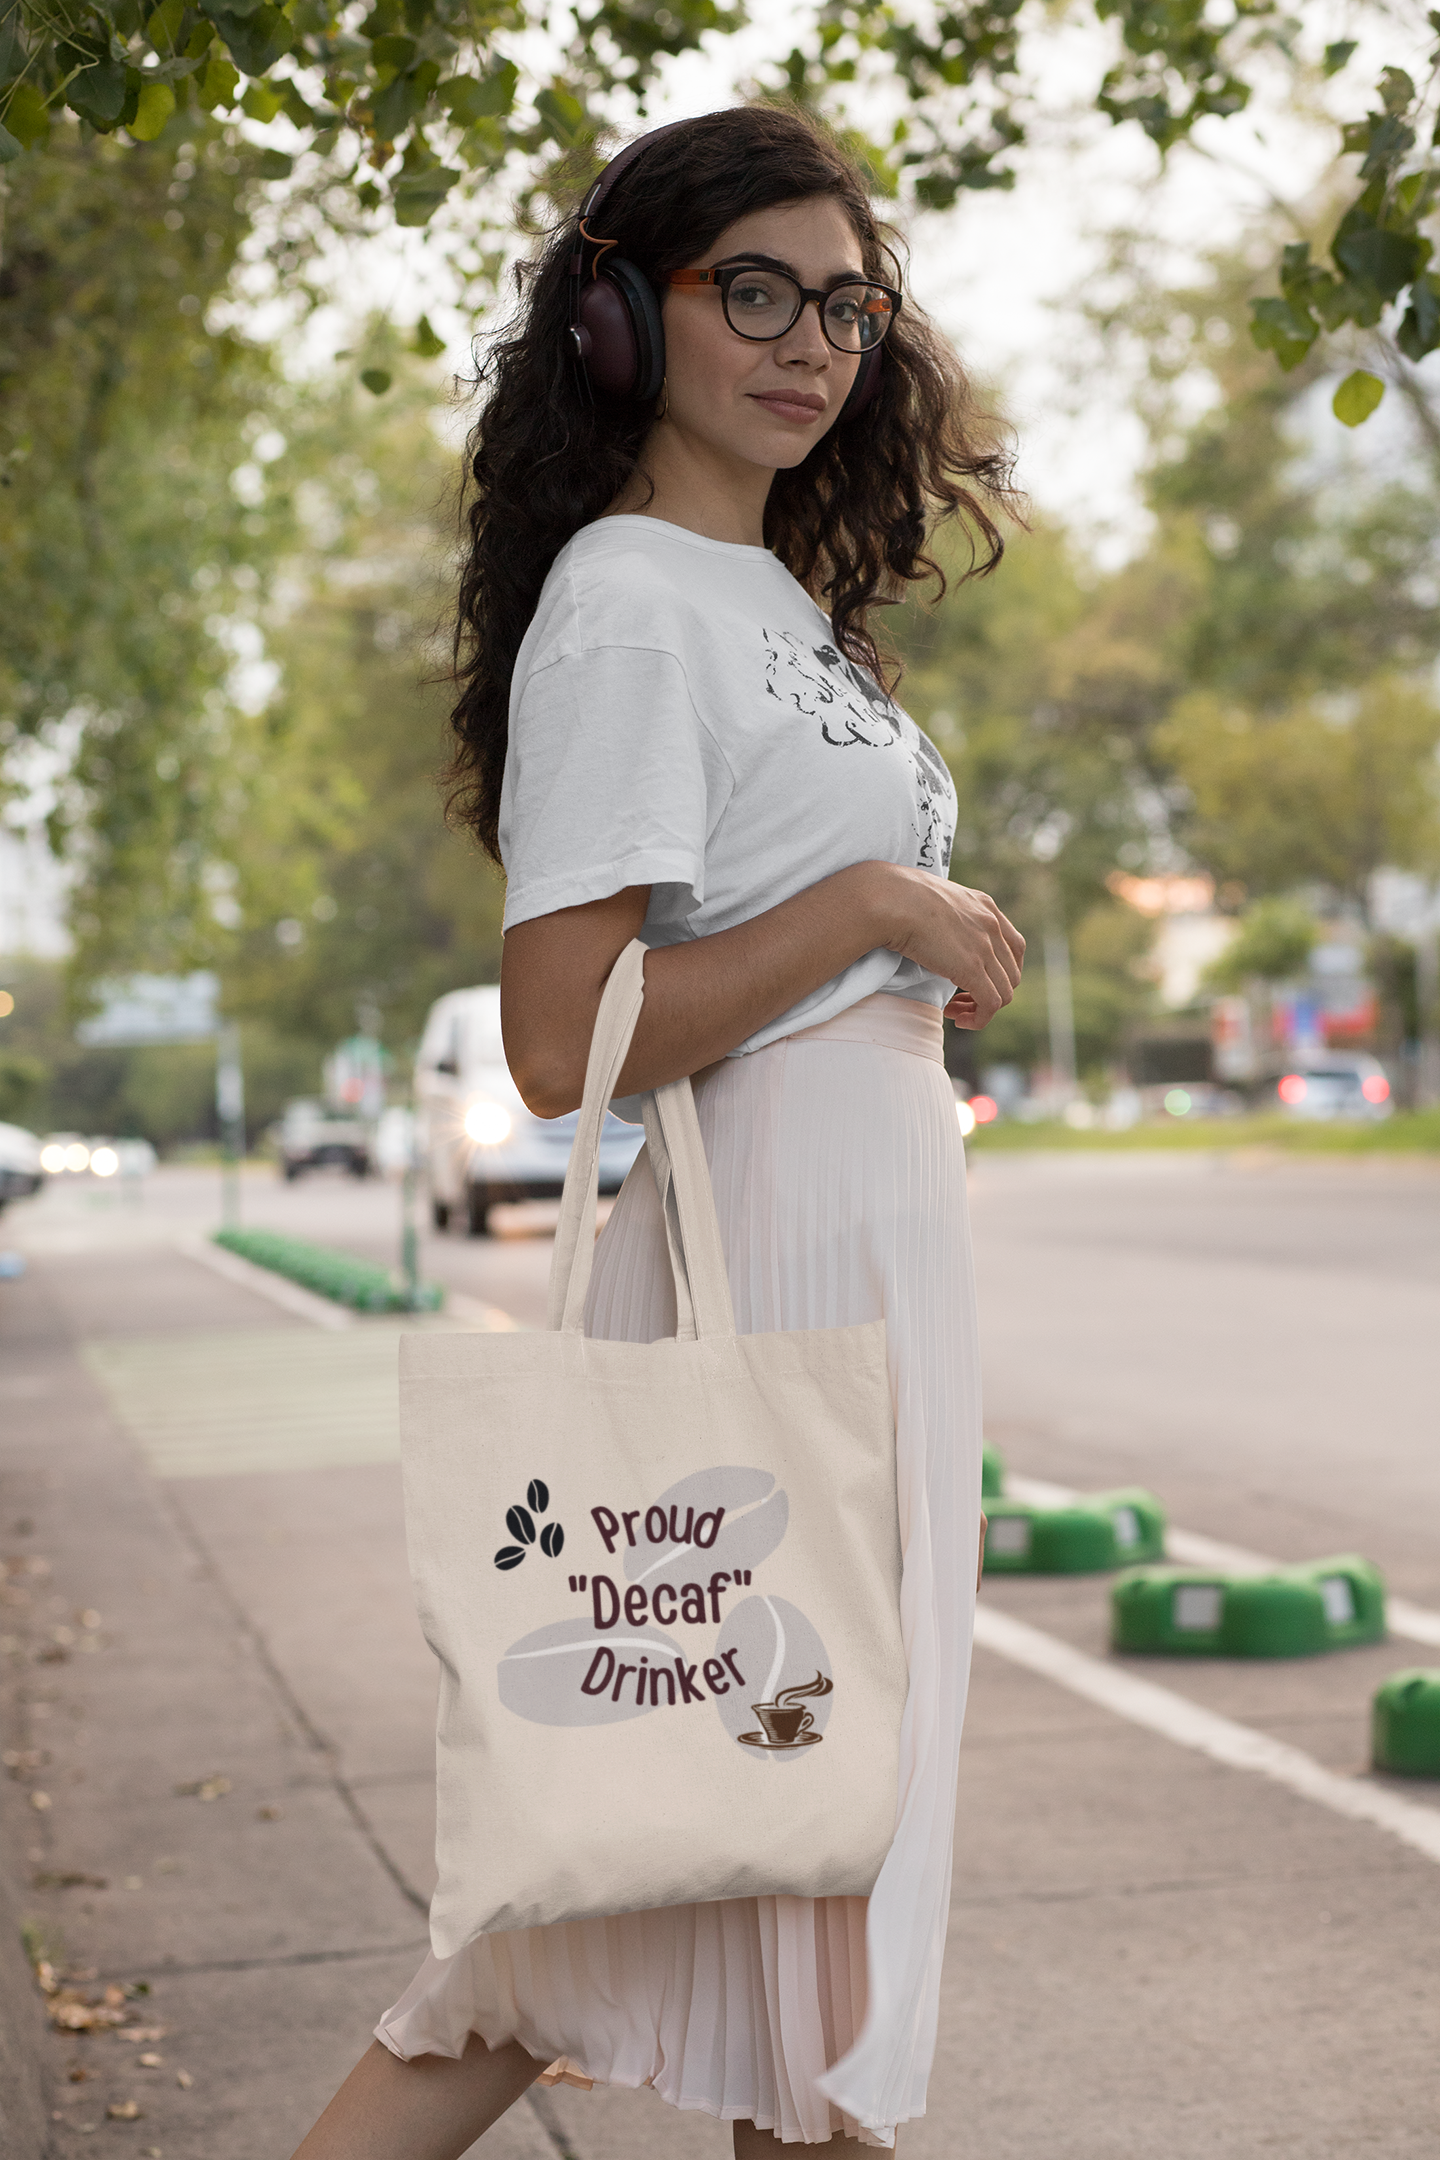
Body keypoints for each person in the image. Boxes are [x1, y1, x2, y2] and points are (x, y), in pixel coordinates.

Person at [293, 101, 1023, 2160]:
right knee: (745, 1873)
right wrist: (871, 909)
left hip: (868, 1247)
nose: (810, 345)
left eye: (846, 306)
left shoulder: (770, 596)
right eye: (754, 292)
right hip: (764, 1261)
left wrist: (895, 943)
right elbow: (559, 1041)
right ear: (622, 318)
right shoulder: (627, 597)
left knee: (752, 1886)